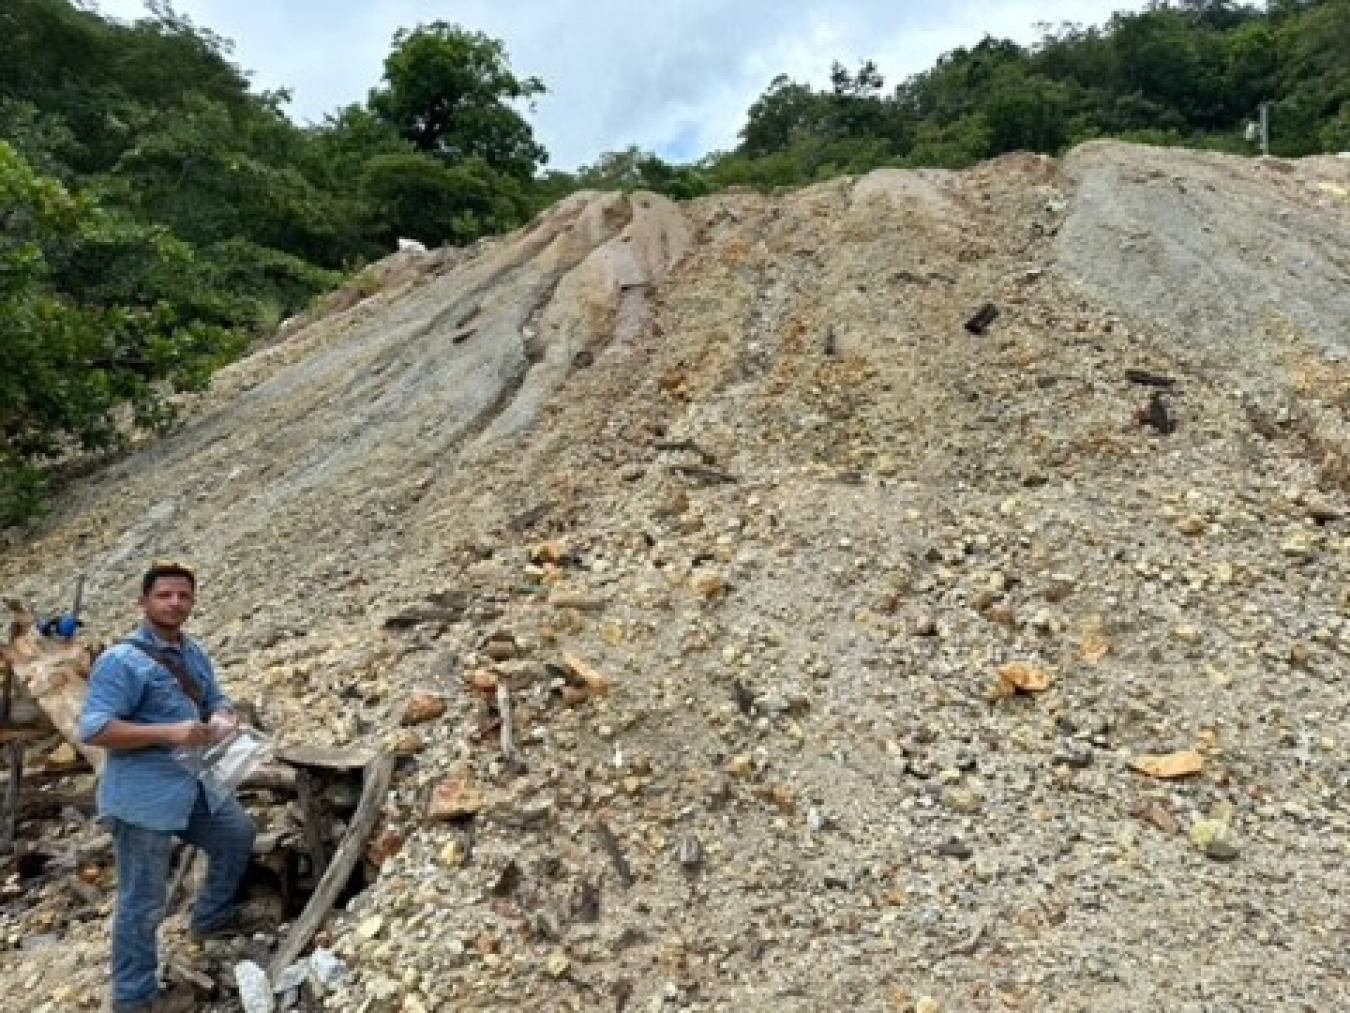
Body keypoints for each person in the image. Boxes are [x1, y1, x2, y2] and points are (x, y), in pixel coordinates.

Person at [78, 561, 256, 1013]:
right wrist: (167, 733)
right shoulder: (120, 661)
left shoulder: (192, 652)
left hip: (191, 783)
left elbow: (214, 697)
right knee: (143, 902)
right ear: (143, 603)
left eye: (184, 596)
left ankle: (210, 918)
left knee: (237, 834)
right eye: (165, 596)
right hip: (141, 801)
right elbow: (94, 729)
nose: (175, 603)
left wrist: (223, 718)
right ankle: (133, 997)